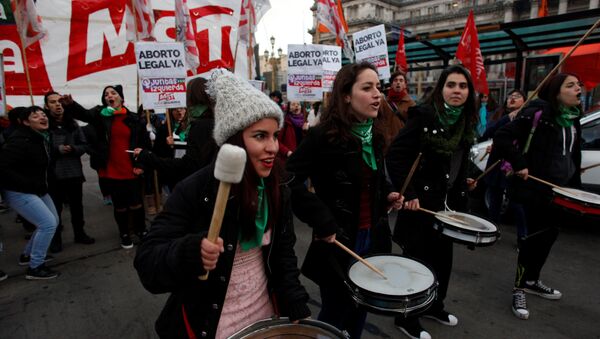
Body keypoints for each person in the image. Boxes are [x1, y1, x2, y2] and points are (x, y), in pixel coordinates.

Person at [134, 69, 311, 339]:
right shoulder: (195, 189)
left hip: (264, 317)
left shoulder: (278, 185)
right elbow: (148, 263)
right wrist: (190, 252)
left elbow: (283, 253)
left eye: (275, 135)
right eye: (260, 136)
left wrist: (294, 299)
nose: (273, 147)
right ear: (234, 141)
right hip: (210, 323)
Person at [286, 62, 404, 338]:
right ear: (346, 95)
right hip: (337, 241)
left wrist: (387, 193)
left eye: (378, 87)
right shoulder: (321, 136)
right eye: (367, 87)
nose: (378, 94)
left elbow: (373, 179)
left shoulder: (372, 135)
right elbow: (288, 180)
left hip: (371, 237)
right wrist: (321, 219)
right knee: (335, 314)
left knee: (361, 306)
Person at [386, 65, 479, 339]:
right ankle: (406, 317)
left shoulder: (465, 121)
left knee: (442, 261)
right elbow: (396, 156)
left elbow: (458, 160)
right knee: (415, 265)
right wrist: (411, 193)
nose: (457, 91)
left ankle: (434, 305)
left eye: (463, 86)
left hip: (448, 207)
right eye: (451, 85)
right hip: (421, 205)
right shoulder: (424, 116)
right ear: (441, 89)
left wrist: (466, 178)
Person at [493, 73, 583, 320]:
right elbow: (502, 138)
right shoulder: (537, 115)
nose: (578, 88)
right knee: (532, 240)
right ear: (556, 92)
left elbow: (574, 155)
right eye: (571, 85)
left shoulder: (574, 119)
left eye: (579, 85)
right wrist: (520, 163)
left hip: (560, 192)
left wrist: (576, 186)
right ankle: (519, 288)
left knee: (549, 236)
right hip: (535, 190)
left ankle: (533, 279)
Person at [62, 85, 151, 249]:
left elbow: (143, 144)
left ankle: (141, 230)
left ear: (121, 98)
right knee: (120, 206)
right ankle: (124, 234)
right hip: (112, 168)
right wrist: (71, 105)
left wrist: (140, 164)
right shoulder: (99, 115)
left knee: (136, 203)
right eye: (106, 94)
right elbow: (84, 114)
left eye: (113, 93)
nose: (109, 95)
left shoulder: (133, 118)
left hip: (131, 167)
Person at [0, 106, 60, 279]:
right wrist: (28, 184)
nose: (42, 117)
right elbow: (3, 167)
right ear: (26, 122)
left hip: (39, 189)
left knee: (53, 221)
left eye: (43, 114)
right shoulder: (19, 140)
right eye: (35, 116)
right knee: (47, 223)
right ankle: (36, 267)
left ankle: (27, 255)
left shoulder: (42, 137)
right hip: (19, 191)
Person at [133, 77, 218, 189]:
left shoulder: (201, 125)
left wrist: (148, 157)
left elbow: (189, 165)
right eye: (176, 109)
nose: (180, 111)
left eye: (182, 108)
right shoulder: (213, 119)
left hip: (201, 186)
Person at [45, 91, 95, 253]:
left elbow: (85, 146)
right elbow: (40, 150)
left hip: (74, 173)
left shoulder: (73, 125)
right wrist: (57, 149)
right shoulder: (44, 126)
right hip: (54, 176)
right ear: (46, 106)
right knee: (55, 210)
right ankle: (56, 239)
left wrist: (73, 149)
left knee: (77, 207)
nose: (57, 104)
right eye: (52, 102)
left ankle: (80, 234)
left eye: (59, 101)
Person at [480, 90, 527, 246]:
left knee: (516, 202)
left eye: (517, 96)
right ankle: (492, 230)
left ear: (525, 101)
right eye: (510, 96)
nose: (512, 99)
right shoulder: (501, 116)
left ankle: (523, 237)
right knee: (495, 199)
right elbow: (488, 132)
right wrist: (507, 118)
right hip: (497, 163)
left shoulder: (527, 118)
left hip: (515, 165)